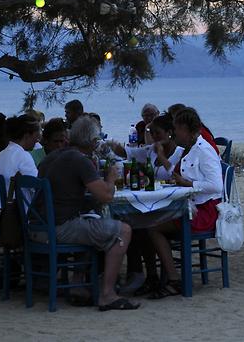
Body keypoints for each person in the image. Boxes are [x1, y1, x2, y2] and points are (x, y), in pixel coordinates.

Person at [36, 115, 139, 311]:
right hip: (58, 228)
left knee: (92, 221)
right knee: (123, 231)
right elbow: (106, 196)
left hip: (38, 225)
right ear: (92, 142)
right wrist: (110, 177)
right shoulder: (78, 160)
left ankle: (78, 285)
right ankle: (108, 294)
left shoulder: (52, 157)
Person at [148, 107, 222, 299]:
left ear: (188, 130)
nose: (174, 132)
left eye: (177, 129)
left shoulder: (204, 150)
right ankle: (155, 277)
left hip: (204, 211)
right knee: (148, 220)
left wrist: (187, 183)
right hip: (187, 206)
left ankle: (173, 279)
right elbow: (177, 171)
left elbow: (216, 186)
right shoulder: (186, 150)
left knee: (153, 228)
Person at [120, 113, 183, 296]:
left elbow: (175, 176)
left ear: (170, 133)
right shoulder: (151, 150)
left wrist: (162, 155)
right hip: (154, 203)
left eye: (157, 133)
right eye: (151, 133)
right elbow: (130, 154)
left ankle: (160, 277)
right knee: (135, 225)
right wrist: (115, 147)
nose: (154, 137)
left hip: (172, 205)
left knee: (146, 226)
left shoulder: (180, 153)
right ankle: (150, 276)